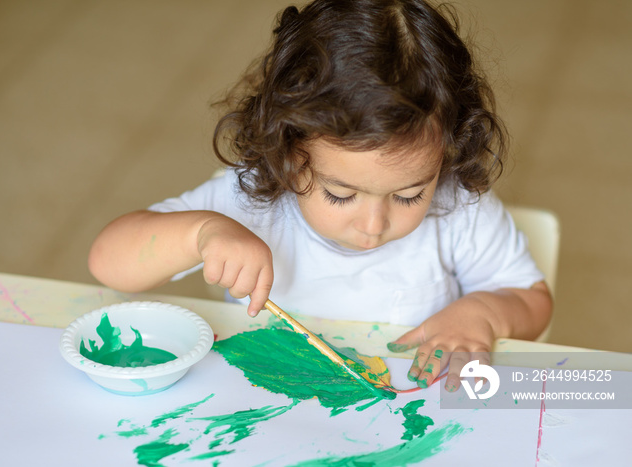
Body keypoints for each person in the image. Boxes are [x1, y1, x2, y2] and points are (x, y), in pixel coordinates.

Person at [88, 0, 553, 392]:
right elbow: (109, 262)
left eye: (410, 195)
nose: (373, 226)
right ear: (289, 154)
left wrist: (484, 314)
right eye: (341, 194)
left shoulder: (459, 211)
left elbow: (532, 302)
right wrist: (203, 233)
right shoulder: (251, 201)